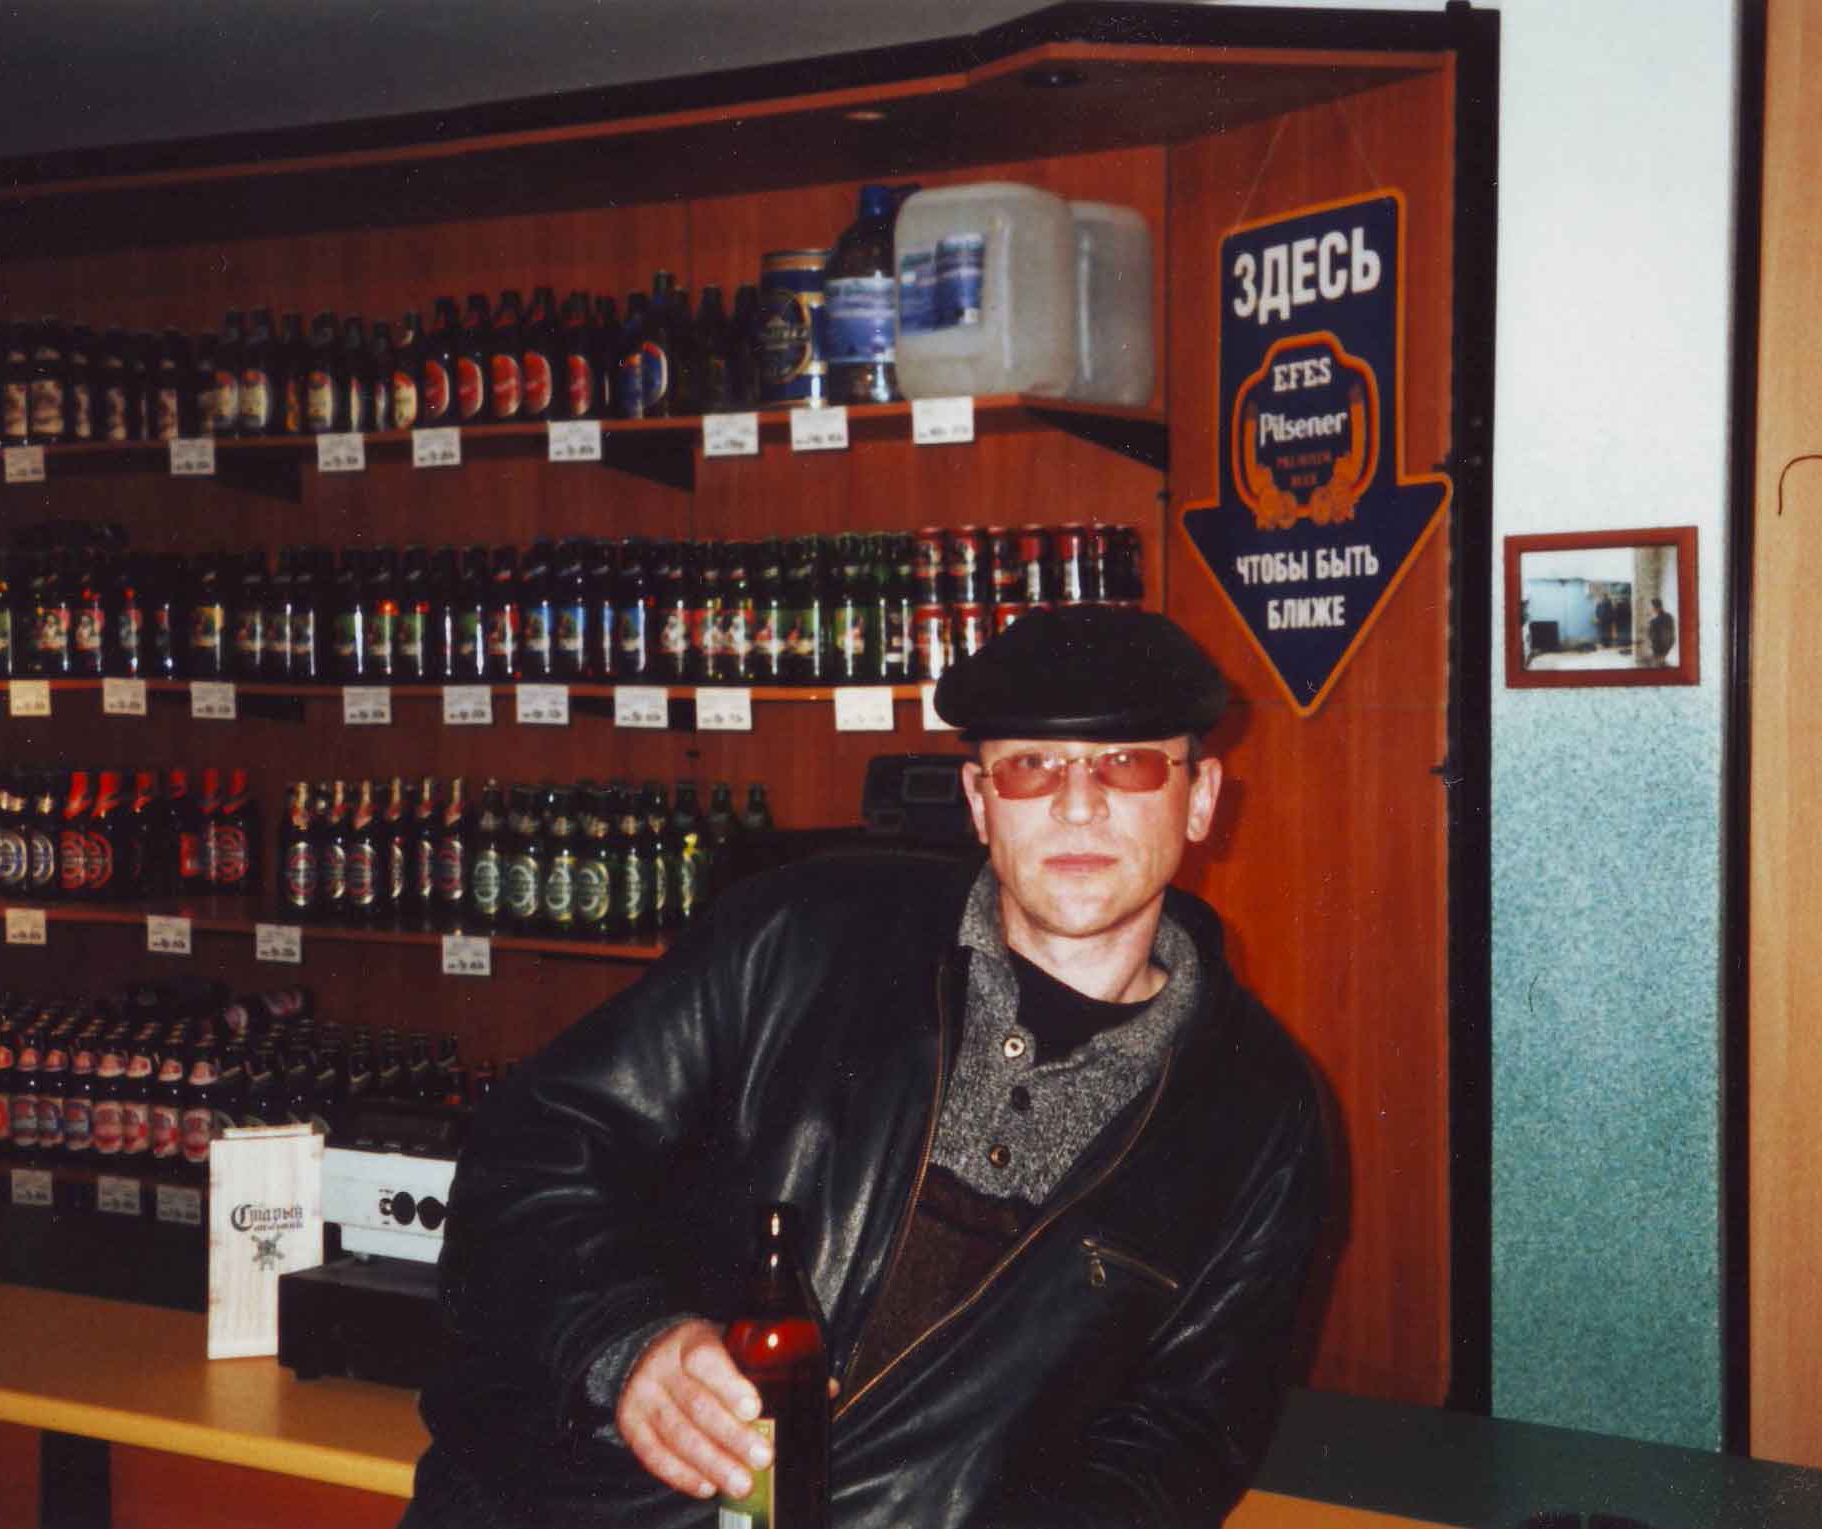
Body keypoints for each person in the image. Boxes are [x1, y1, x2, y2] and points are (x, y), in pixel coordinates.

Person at [405, 605, 1332, 1529]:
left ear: (1200, 798)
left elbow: (1182, 1431)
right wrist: (627, 1342)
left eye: (1126, 763)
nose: (1076, 803)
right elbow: (528, 1156)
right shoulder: (793, 938)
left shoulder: (1259, 1114)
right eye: (1030, 765)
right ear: (979, 801)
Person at [1646, 596, 1677, 666]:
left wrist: (1659, 655)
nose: (1650, 609)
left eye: (1650, 607)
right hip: (1666, 651)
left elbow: (1652, 638)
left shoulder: (1654, 622)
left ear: (1654, 608)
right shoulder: (1669, 617)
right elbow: (1672, 637)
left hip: (1659, 652)